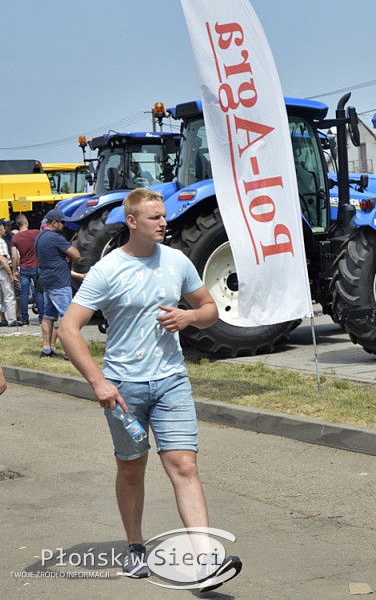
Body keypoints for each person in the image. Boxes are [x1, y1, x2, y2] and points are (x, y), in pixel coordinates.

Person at [58, 188, 241, 591]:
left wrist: (190, 315)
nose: (164, 222)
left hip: (172, 380)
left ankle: (206, 560)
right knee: (131, 467)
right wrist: (99, 382)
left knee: (185, 466)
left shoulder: (176, 261)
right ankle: (136, 546)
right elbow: (67, 329)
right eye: (155, 217)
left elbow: (210, 309)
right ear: (132, 222)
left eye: (163, 216)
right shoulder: (109, 270)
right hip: (123, 387)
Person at [34, 209, 79, 357]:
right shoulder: (56, 238)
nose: (64, 225)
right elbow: (77, 254)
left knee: (48, 316)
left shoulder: (40, 236)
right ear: (54, 223)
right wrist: (69, 255)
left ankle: (46, 349)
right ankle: (70, 352)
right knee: (68, 317)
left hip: (46, 279)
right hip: (59, 281)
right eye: (62, 222)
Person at [11, 214, 40, 326]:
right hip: (36, 266)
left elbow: (14, 256)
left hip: (24, 269)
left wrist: (14, 271)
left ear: (17, 224)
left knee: (24, 294)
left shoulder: (15, 238)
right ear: (26, 222)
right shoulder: (35, 233)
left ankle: (25, 319)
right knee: (38, 292)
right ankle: (42, 318)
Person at [0, 220, 20, 327]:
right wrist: (11, 273)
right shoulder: (1, 242)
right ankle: (12, 319)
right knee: (9, 295)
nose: (4, 230)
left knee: (0, 297)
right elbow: (2, 259)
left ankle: (2, 318)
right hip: (2, 271)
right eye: (3, 228)